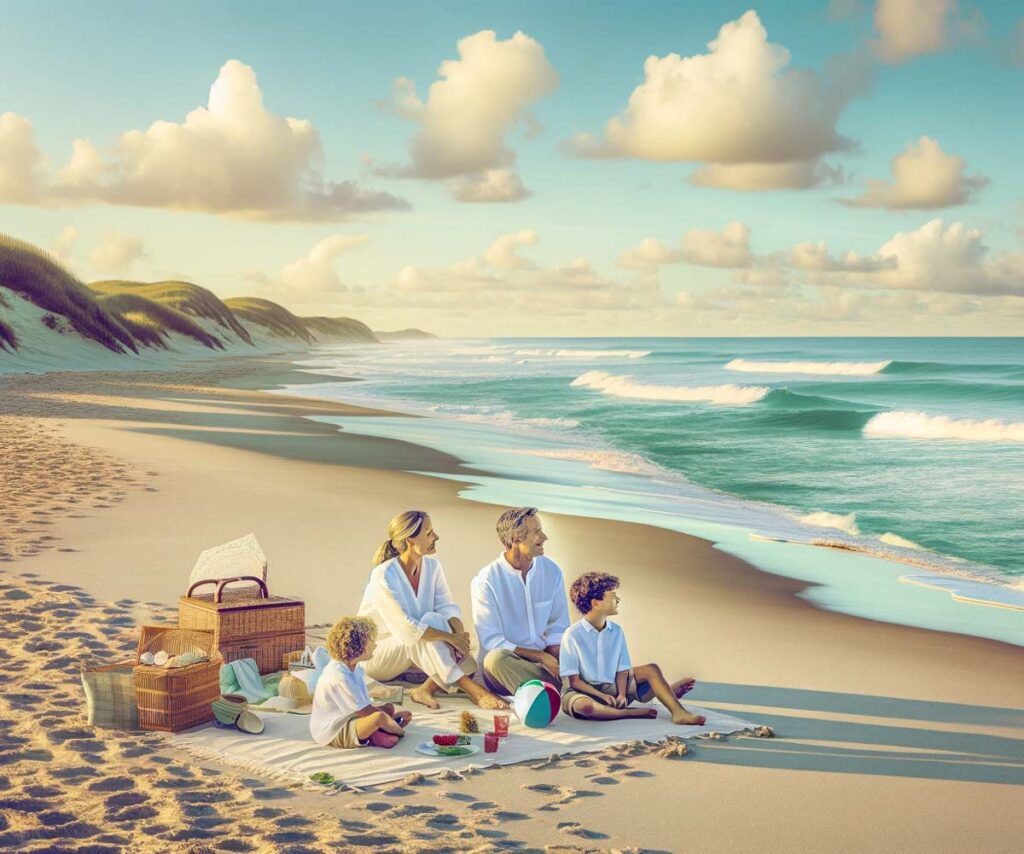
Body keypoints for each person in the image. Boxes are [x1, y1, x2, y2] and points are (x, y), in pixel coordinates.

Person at [359, 510, 507, 710]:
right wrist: (449, 639)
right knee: (417, 635)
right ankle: (472, 689)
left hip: (415, 646)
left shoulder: (433, 566)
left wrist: (459, 638)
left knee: (438, 625)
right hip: (375, 656)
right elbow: (406, 629)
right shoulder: (383, 575)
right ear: (410, 539)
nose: (435, 537)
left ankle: (425, 689)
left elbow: (446, 607)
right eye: (428, 533)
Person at [560, 571, 705, 726]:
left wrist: (622, 695)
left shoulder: (616, 631)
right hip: (583, 692)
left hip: (613, 689)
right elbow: (574, 681)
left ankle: (678, 712)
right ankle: (627, 712)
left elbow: (622, 670)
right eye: (613, 596)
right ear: (595, 603)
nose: (618, 600)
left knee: (651, 669)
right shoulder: (572, 635)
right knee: (585, 707)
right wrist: (600, 695)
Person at [471, 507, 570, 695]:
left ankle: (561, 690)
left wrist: (555, 655)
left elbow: (558, 625)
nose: (544, 537)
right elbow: (492, 641)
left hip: (546, 664)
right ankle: (567, 692)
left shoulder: (552, 571)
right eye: (536, 532)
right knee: (495, 659)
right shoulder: (486, 581)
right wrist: (539, 657)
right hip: (505, 669)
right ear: (516, 538)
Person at [309, 616, 412, 749]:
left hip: (350, 716)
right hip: (334, 730)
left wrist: (388, 716)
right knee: (378, 717)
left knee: (388, 708)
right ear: (356, 646)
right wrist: (397, 730)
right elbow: (366, 711)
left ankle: (378, 734)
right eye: (370, 642)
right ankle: (381, 734)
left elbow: (364, 704)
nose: (375, 645)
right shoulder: (340, 676)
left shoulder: (354, 668)